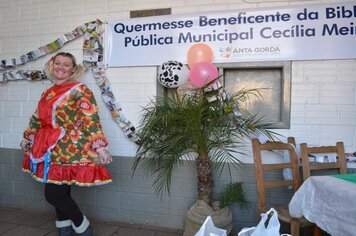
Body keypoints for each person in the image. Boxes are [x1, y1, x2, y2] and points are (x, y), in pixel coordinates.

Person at [20, 52, 112, 236]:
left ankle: (84, 227)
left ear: (73, 69)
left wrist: (100, 146)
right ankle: (65, 228)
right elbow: (38, 117)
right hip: (48, 147)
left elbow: (90, 118)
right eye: (57, 63)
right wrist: (28, 137)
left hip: (70, 148)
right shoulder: (48, 91)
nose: (61, 67)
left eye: (66, 64)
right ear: (52, 65)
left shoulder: (80, 90)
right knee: (61, 192)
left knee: (53, 194)